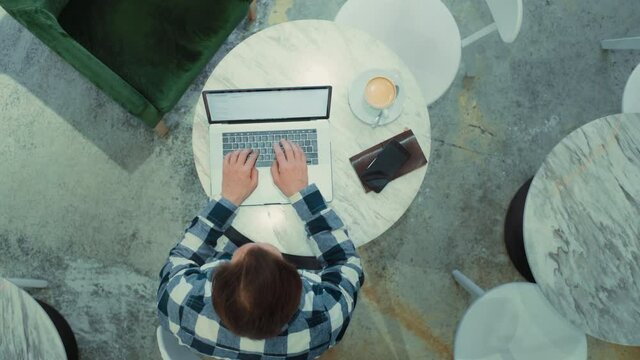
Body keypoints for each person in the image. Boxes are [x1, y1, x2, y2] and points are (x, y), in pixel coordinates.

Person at [157, 140, 365, 359]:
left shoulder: (177, 301)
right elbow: (346, 261)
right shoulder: (327, 319)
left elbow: (182, 256)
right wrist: (302, 193)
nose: (256, 245)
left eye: (239, 262)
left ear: (214, 280)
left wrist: (229, 198)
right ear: (300, 285)